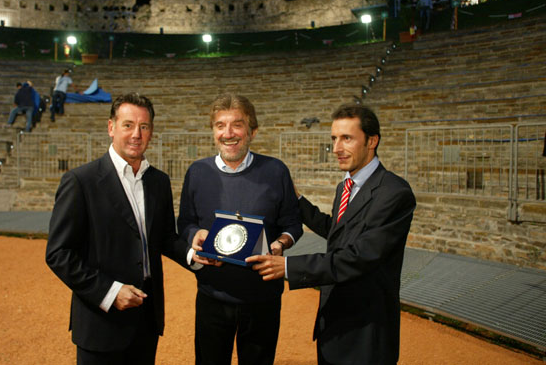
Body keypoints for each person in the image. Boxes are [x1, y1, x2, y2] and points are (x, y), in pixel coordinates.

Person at [247, 103, 416, 365]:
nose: (336, 148)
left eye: (347, 138)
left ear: (372, 141)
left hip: (365, 332)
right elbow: (337, 231)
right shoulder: (345, 186)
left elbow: (360, 256)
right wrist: (297, 199)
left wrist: (288, 266)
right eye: (334, 139)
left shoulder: (394, 193)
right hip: (333, 322)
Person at [46, 92, 195, 364]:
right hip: (100, 322)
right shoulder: (81, 181)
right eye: (128, 125)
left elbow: (164, 238)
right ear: (111, 128)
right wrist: (110, 292)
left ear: (151, 132)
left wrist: (194, 255)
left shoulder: (158, 181)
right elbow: (58, 253)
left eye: (144, 126)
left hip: (146, 319)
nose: (137, 134)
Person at [177, 93, 303, 365]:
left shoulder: (276, 171)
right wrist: (194, 235)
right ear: (213, 132)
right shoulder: (197, 172)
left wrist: (280, 244)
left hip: (262, 298)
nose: (228, 133)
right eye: (220, 125)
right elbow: (185, 222)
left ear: (252, 131)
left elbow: (292, 224)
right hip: (211, 295)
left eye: (237, 124)